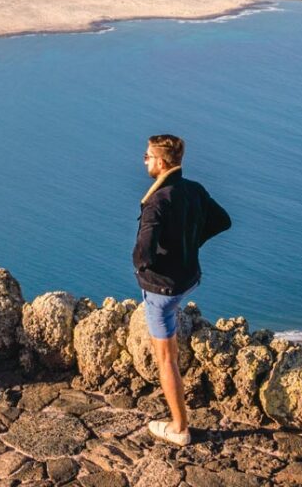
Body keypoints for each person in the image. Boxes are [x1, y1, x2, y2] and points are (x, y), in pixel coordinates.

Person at [133, 133, 232, 447]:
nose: (144, 160)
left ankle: (179, 428)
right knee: (170, 346)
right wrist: (190, 244)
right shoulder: (194, 189)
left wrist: (142, 268)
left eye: (148, 156)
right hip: (188, 279)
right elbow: (222, 221)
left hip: (162, 290)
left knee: (167, 360)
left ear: (161, 162)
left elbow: (143, 252)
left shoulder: (156, 202)